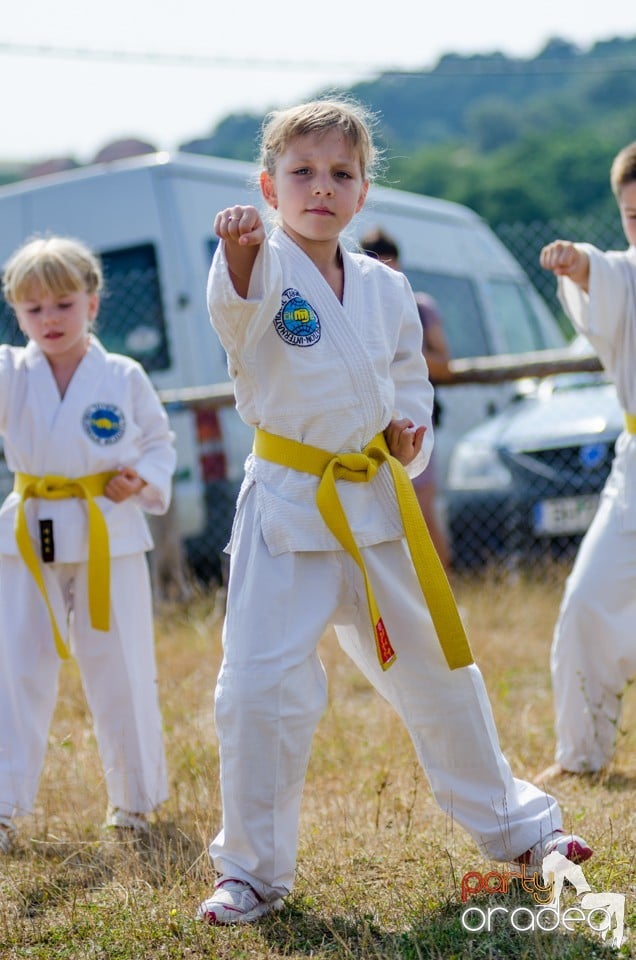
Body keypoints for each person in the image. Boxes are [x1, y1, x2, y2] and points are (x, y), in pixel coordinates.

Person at [196, 97, 591, 926]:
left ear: (363, 192)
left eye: (341, 173)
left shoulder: (386, 287)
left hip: (375, 504)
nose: (321, 188)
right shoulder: (258, 264)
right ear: (269, 186)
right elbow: (235, 326)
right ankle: (253, 872)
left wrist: (408, 434)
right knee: (258, 689)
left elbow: (410, 389)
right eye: (301, 173)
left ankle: (523, 829)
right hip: (289, 513)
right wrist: (235, 254)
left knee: (441, 676)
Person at [0, 235, 176, 853]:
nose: (49, 320)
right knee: (14, 667)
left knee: (122, 666)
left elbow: (159, 444)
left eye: (63, 305)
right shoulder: (8, 372)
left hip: (109, 530)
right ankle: (3, 805)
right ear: (16, 313)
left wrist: (144, 479)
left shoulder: (122, 375)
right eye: (33, 308)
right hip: (27, 536)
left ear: (93, 305)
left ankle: (133, 801)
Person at [537, 141, 636, 780]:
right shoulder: (627, 273)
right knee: (587, 598)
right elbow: (606, 277)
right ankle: (581, 753)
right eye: (632, 216)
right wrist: (579, 267)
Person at [359, 228, 452, 570]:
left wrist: (400, 353)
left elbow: (444, 364)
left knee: (423, 515)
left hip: (413, 421)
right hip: (370, 426)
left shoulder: (420, 307)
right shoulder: (354, 306)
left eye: (390, 265)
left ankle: (444, 598)